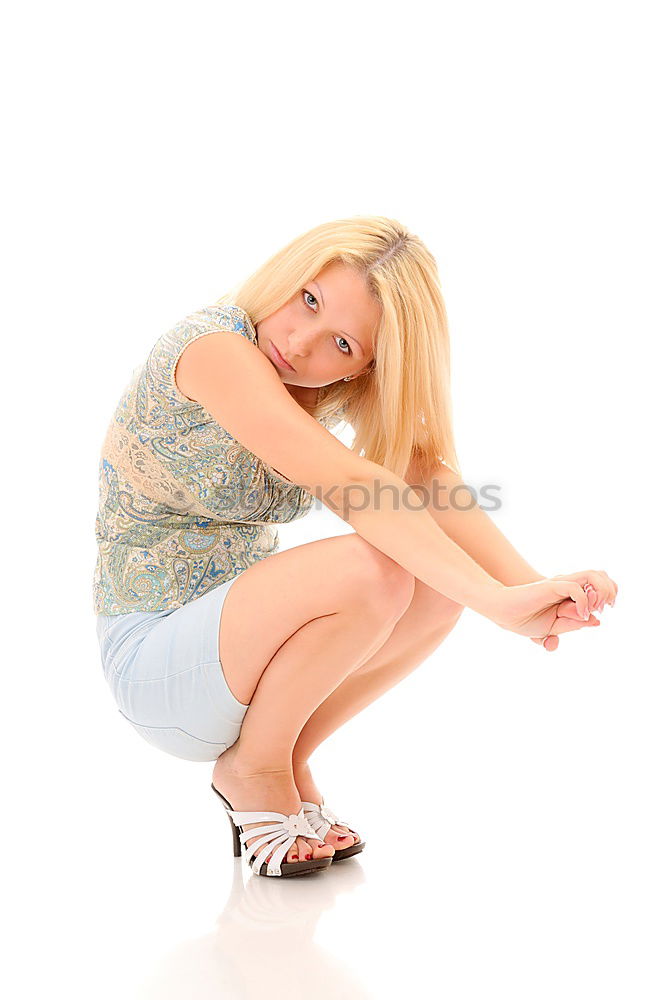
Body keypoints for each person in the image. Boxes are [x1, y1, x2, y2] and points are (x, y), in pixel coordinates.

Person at [93, 214, 618, 879]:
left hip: (232, 660)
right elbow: (349, 482)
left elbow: (423, 478)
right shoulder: (213, 350)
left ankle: (278, 756)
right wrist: (493, 601)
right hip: (158, 664)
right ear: (292, 270)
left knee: (431, 587)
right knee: (373, 569)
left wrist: (532, 590)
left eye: (342, 343)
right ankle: (255, 770)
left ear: (368, 365)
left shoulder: (312, 392)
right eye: (308, 300)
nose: (301, 341)